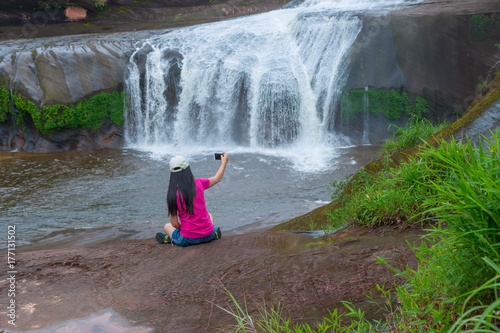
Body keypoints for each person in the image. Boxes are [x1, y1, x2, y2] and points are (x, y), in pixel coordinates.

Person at [155, 153, 229, 247]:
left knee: (167, 226)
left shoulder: (172, 195)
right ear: (188, 170)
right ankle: (214, 233)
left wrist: (188, 230)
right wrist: (224, 163)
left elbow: (174, 224)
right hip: (208, 235)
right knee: (209, 215)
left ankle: (172, 238)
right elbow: (217, 178)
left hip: (188, 239)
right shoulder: (199, 184)